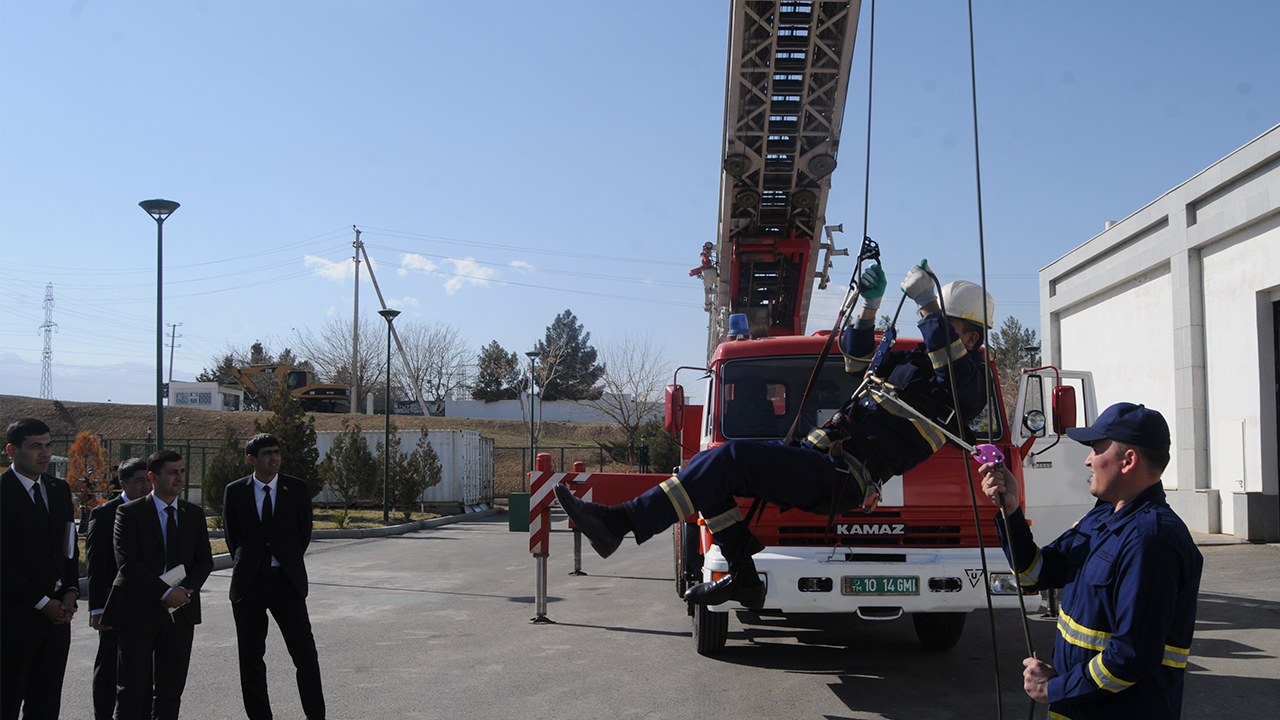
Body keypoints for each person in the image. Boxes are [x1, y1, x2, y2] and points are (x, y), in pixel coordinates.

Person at [557, 261, 995, 609]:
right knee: (711, 473)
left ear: (971, 337)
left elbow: (951, 365)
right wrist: (868, 308)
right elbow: (856, 364)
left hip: (845, 475)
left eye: (947, 323)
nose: (932, 327)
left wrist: (927, 305)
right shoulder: (913, 365)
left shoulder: (967, 386)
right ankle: (744, 579)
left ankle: (622, 522)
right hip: (822, 459)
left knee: (730, 461)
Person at [979, 403, 1203, 719]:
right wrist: (1011, 510)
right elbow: (1034, 574)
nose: (1088, 460)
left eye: (1096, 449)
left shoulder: (1152, 539)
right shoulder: (1103, 516)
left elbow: (1131, 655)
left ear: (1128, 461)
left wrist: (1054, 688)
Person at [100, 449, 213, 720]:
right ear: (153, 477)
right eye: (172, 472)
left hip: (180, 612)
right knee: (133, 690)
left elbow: (204, 561)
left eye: (182, 471)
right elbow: (128, 562)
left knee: (170, 691)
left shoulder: (193, 513)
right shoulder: (129, 513)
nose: (179, 477)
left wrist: (183, 592)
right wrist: (164, 592)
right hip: (138, 611)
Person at [223, 433, 325, 720]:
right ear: (252, 459)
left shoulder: (297, 488)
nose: (274, 458)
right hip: (249, 585)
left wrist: (284, 560)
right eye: (267, 453)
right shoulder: (235, 491)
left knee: (305, 655)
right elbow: (234, 539)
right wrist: (254, 563)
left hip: (286, 582)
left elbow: (302, 534)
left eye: (277, 452)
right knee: (251, 660)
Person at [1, 418, 80, 720]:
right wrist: (43, 602)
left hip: (58, 620)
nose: (45, 453)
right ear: (12, 450)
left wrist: (71, 590)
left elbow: (68, 546)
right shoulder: (3, 492)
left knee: (46, 705)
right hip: (13, 621)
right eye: (36, 447)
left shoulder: (59, 489)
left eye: (48, 446)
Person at [85, 457, 152, 720]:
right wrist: (98, 608)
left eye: (149, 480)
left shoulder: (154, 510)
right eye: (139, 481)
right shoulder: (104, 514)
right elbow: (95, 564)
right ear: (122, 483)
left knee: (144, 668)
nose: (146, 486)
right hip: (115, 606)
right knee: (110, 666)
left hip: (148, 604)